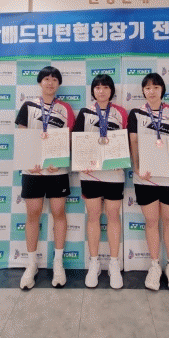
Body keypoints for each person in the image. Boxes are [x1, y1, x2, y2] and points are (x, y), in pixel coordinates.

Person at [127, 73, 169, 293]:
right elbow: (134, 141)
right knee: (152, 221)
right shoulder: (136, 113)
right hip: (145, 178)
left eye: (155, 87)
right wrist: (137, 167)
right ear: (143, 91)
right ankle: (154, 266)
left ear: (162, 89)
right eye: (147, 88)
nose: (151, 91)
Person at [15, 66, 75, 289]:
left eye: (54, 79)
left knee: (59, 212)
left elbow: (69, 138)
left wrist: (59, 160)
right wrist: (29, 161)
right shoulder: (28, 106)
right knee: (33, 214)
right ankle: (31, 264)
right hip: (32, 171)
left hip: (56, 171)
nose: (50, 83)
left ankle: (58, 263)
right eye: (46, 79)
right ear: (40, 82)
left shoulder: (65, 109)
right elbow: (22, 135)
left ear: (59, 84)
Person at [73, 74, 128, 289]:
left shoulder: (121, 112)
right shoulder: (85, 112)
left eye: (105, 87)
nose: (101, 91)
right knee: (93, 216)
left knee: (113, 216)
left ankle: (114, 264)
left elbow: (127, 140)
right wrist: (81, 162)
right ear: (93, 91)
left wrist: (121, 158)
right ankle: (94, 263)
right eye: (97, 87)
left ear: (111, 90)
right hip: (91, 174)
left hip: (114, 173)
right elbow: (77, 140)